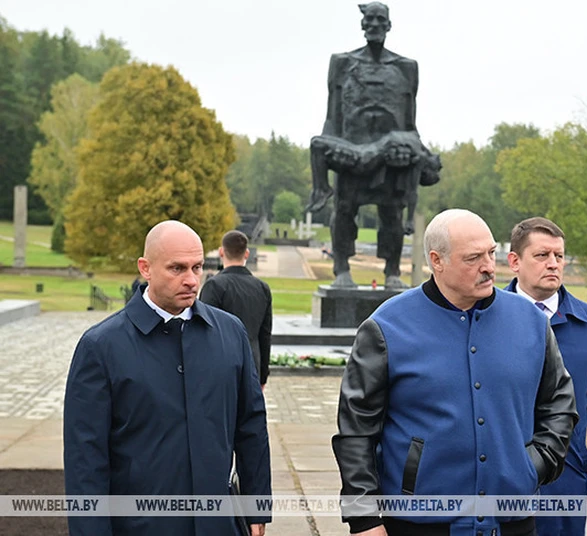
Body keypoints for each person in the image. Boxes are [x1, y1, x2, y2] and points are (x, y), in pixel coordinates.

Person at [332, 209, 578, 536]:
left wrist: (534, 465)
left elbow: (560, 403)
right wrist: (363, 517)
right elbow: (356, 430)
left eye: (492, 253)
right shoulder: (386, 328)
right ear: (437, 261)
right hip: (416, 524)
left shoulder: (532, 322)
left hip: (511, 522)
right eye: (473, 258)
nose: (489, 266)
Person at [63, 220, 271, 536]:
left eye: (198, 267)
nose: (191, 280)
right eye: (177, 269)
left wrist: (257, 505)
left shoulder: (231, 333)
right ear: (145, 268)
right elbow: (85, 460)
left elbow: (251, 425)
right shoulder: (100, 347)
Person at [305, 1, 440, 290]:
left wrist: (419, 152)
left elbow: (409, 120)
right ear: (362, 24)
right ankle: (341, 267)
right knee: (343, 209)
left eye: (381, 20)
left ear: (389, 26)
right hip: (352, 151)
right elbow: (333, 117)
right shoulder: (342, 63)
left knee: (392, 214)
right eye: (369, 19)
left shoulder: (406, 68)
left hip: (393, 158)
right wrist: (329, 157)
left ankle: (392, 271)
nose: (375, 25)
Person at [504, 217, 587, 536]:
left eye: (559, 256)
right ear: (514, 261)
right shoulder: (485, 317)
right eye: (542, 255)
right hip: (499, 475)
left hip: (564, 476)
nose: (553, 264)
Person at [199, 230, 274, 389]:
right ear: (246, 254)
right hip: (253, 363)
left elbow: (203, 332)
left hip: (220, 365)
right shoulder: (262, 288)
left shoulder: (214, 286)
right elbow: (265, 335)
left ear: (221, 251)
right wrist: (263, 374)